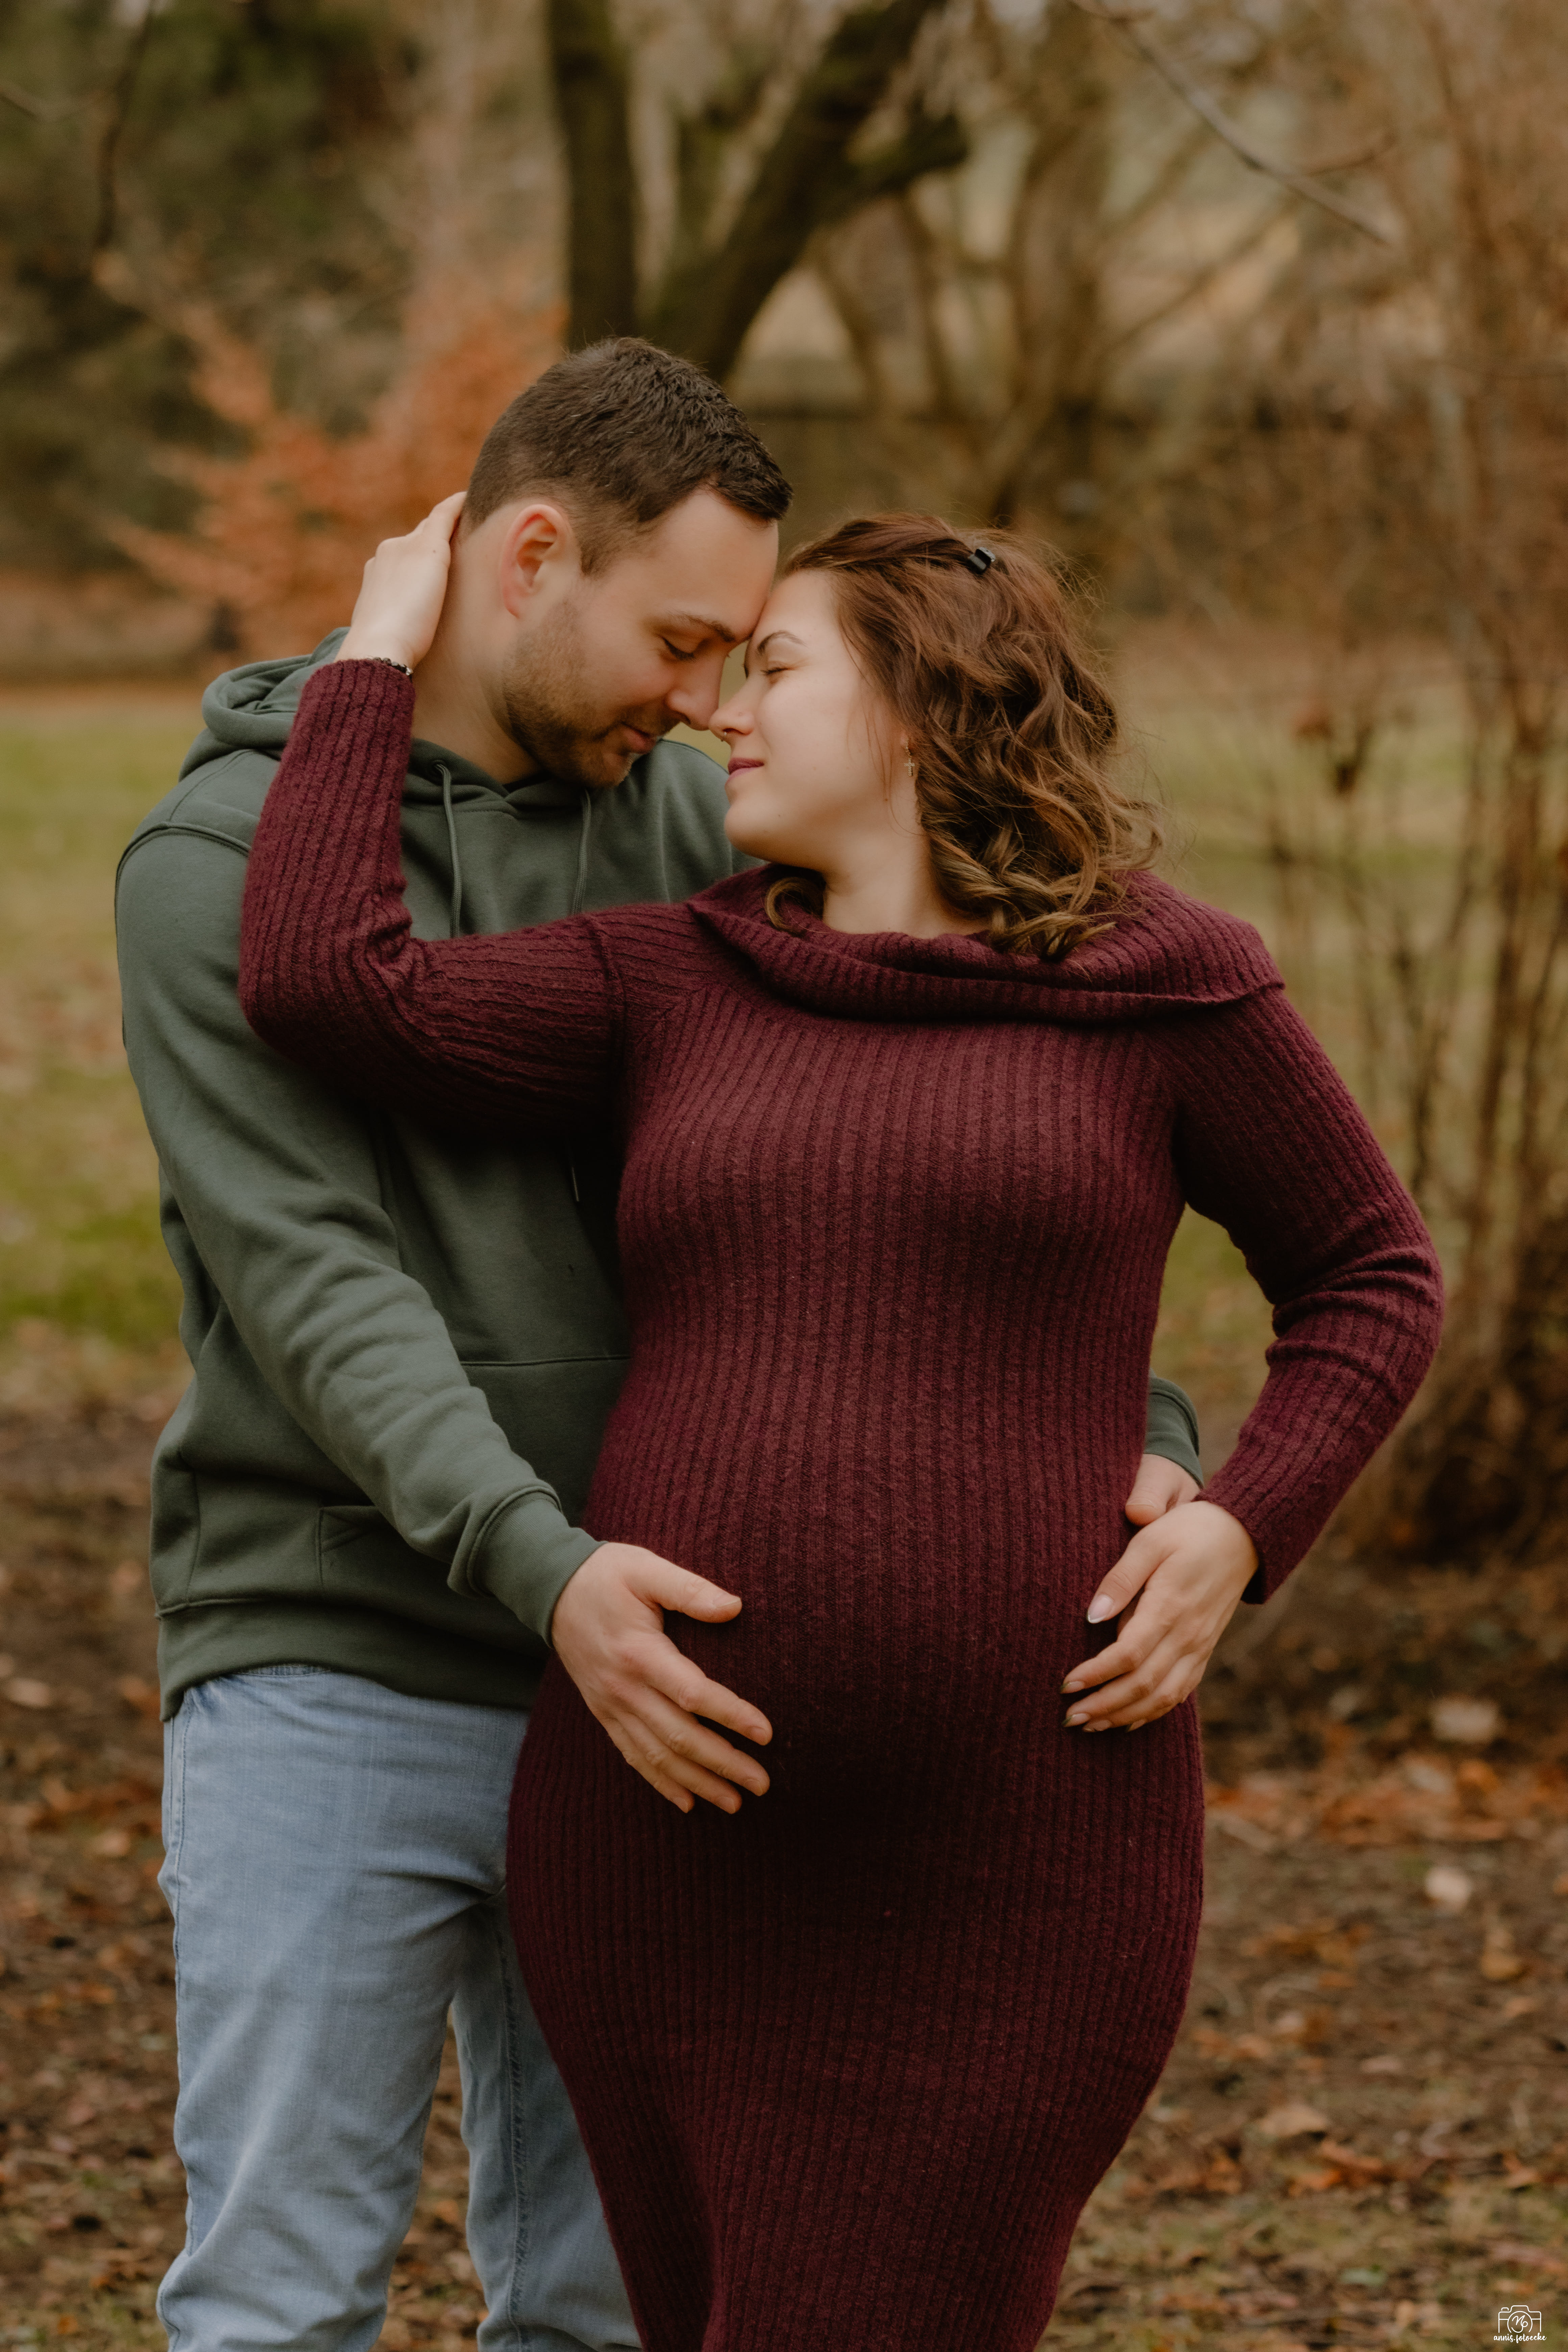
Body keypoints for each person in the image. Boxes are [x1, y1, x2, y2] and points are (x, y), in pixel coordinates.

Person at [237, 503, 1444, 2350]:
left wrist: (1239, 1521)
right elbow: (333, 985)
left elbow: (1373, 1274)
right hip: (664, 1857)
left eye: (776, 666)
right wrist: (379, 656)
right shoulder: (671, 982)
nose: (724, 706)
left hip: (1012, 1870)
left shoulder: (1169, 986)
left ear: (917, 709)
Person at [115, 344, 1204, 2351]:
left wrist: (1115, 1425)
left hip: (668, 1688)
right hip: (335, 1652)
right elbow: (322, 1283)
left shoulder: (706, 842)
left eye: (743, 657)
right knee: (279, 2298)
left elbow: (931, 1137)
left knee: (610, 2307)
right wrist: (552, 1577)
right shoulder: (212, 870)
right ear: (531, 557)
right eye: (683, 639)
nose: (710, 703)